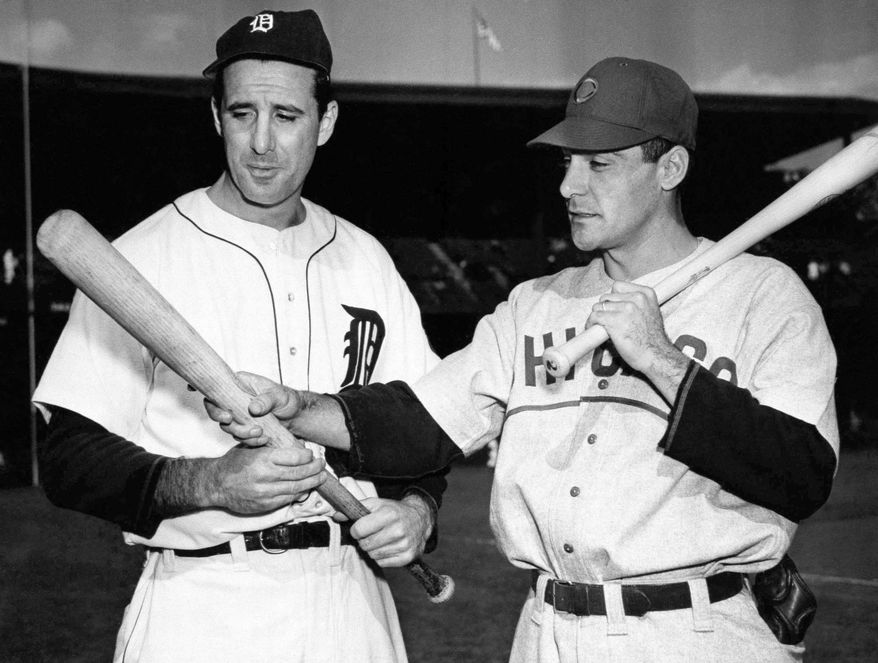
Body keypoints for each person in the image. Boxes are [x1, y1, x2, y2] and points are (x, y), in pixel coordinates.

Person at [210, 57, 840, 662]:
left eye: (600, 164)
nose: (570, 186)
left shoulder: (762, 294)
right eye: (569, 162)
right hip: (548, 630)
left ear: (670, 167)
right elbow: (420, 424)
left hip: (697, 632)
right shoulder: (535, 306)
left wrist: (662, 360)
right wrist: (295, 407)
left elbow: (801, 475)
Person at [33, 9, 446, 663]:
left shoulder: (366, 261)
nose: (261, 142)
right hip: (202, 603)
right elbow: (67, 457)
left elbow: (426, 428)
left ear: (326, 122)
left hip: (352, 604)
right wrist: (206, 482)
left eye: (286, 115)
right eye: (242, 113)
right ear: (215, 116)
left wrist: (417, 510)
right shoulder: (146, 255)